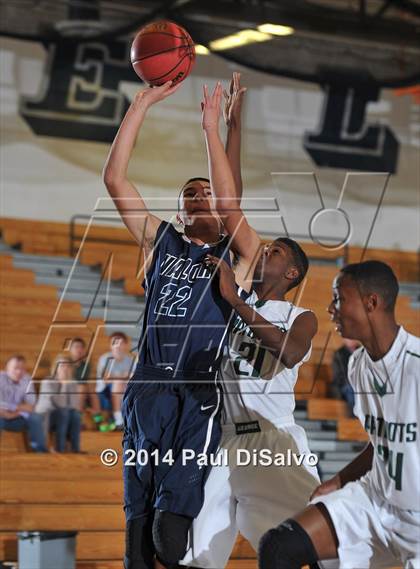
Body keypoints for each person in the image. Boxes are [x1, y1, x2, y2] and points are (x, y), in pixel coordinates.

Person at [181, 75, 320, 568]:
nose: (264, 253)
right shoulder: (237, 287)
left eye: (276, 251)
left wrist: (235, 303)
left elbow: (290, 352)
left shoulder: (300, 316)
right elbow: (229, 204)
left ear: (292, 272)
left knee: (319, 546)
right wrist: (227, 128)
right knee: (195, 554)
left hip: (273, 440)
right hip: (223, 440)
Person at [102, 81, 236, 569]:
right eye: (189, 194)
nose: (200, 197)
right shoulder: (163, 243)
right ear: (178, 213)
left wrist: (211, 128)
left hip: (196, 395)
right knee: (137, 540)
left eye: (208, 193)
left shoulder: (235, 254)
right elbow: (115, 179)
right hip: (148, 388)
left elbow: (229, 196)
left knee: (167, 536)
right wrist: (141, 105)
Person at [258, 261, 420, 569]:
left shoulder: (416, 365)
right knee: (279, 547)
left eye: (339, 298)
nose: (331, 308)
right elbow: (381, 443)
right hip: (375, 502)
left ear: (372, 302)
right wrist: (339, 481)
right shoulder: (357, 365)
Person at [33, 353, 82, 453]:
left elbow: (73, 404)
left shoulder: (73, 383)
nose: (65, 368)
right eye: (62, 365)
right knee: (63, 413)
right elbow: (60, 404)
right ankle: (60, 448)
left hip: (64, 414)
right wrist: (64, 386)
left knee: (76, 415)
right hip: (46, 416)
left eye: (68, 366)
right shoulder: (47, 382)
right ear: (56, 367)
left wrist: (67, 384)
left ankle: (75, 449)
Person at [0, 355, 44, 451]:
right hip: (2, 417)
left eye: (22, 369)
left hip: (17, 417)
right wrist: (13, 410)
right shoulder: (0, 378)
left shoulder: (27, 379)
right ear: (7, 368)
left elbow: (32, 405)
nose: (19, 372)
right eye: (15, 368)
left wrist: (14, 411)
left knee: (36, 417)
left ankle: (40, 452)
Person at [95, 332, 134, 431]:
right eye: (114, 342)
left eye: (120, 343)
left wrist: (120, 377)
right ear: (111, 345)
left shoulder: (130, 360)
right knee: (119, 383)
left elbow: (133, 378)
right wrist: (123, 376)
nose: (118, 346)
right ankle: (118, 420)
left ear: (125, 345)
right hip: (105, 390)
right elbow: (106, 379)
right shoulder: (105, 358)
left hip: (125, 388)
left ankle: (129, 420)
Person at [329, 338, 359, 414]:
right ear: (344, 340)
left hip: (359, 384)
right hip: (343, 385)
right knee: (351, 389)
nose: (351, 340)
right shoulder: (338, 354)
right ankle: (354, 418)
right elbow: (338, 376)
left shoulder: (362, 352)